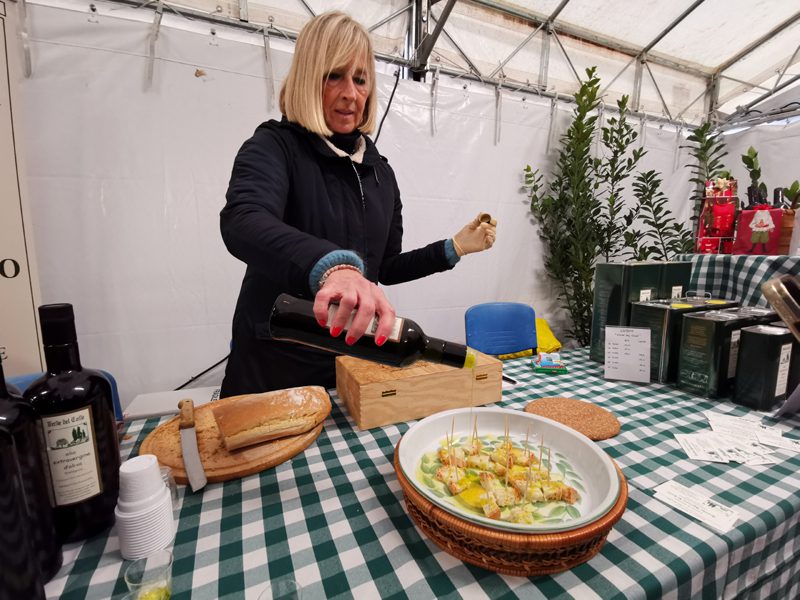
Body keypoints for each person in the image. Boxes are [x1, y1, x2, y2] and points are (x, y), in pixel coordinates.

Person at [219, 11, 496, 397]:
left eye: (360, 79)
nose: (351, 93)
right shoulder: (274, 146)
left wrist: (453, 248)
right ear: (308, 78)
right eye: (335, 76)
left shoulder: (380, 173)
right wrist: (335, 269)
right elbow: (243, 220)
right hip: (275, 370)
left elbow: (385, 267)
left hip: (350, 367)